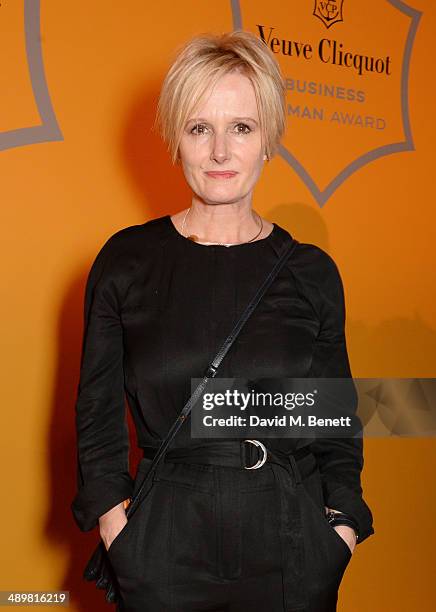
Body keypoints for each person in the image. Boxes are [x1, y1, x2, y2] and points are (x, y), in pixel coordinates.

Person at [71, 30, 374, 612]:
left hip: (292, 542)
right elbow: (97, 413)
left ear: (268, 140)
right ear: (175, 139)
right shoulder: (127, 261)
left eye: (241, 127)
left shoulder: (310, 273)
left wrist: (341, 528)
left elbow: (336, 417)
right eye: (199, 127)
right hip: (163, 544)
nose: (219, 152)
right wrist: (116, 527)